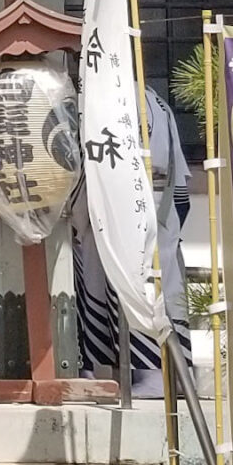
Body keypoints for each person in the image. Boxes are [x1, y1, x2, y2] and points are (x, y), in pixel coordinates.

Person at [74, 85, 194, 394]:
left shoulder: (105, 97)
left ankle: (153, 372)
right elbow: (180, 186)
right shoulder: (157, 102)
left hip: (124, 206)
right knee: (149, 284)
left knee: (136, 287)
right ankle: (122, 368)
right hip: (159, 207)